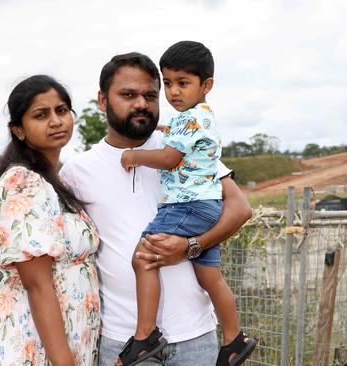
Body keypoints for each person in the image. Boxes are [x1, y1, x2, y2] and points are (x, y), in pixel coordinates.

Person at [59, 52, 253, 366]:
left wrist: (191, 246)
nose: (141, 104)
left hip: (194, 336)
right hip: (122, 337)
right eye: (128, 95)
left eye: (150, 95)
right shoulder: (76, 172)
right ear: (102, 101)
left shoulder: (180, 144)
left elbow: (239, 208)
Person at [117, 41, 256, 366]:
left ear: (206, 85)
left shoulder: (189, 119)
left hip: (186, 206)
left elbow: (169, 158)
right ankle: (235, 338)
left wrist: (134, 155)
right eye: (167, 83)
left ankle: (145, 335)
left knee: (143, 259)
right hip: (208, 205)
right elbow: (186, 142)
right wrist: (169, 129)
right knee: (210, 277)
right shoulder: (199, 117)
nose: (173, 91)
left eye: (183, 83)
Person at [0, 75, 101, 365]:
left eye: (61, 110)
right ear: (18, 130)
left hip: (65, 339)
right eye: (41, 115)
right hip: (34, 342)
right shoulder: (23, 181)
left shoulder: (55, 181)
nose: (56, 121)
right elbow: (38, 284)